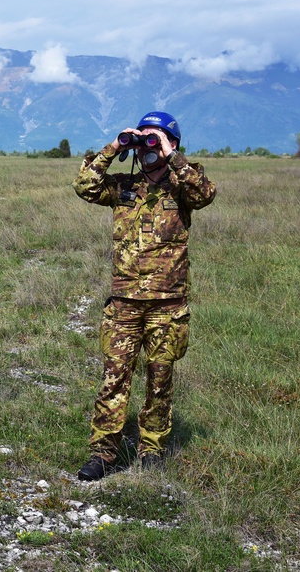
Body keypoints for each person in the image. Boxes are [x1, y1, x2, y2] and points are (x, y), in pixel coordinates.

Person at [73, 111, 216, 481]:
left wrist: (172, 155)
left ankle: (151, 448)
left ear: (172, 144)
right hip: (123, 304)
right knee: (114, 377)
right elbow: (85, 185)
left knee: (159, 377)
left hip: (167, 306)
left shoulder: (183, 186)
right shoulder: (123, 186)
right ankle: (104, 453)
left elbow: (205, 193)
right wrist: (117, 145)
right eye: (145, 139)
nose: (149, 146)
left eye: (156, 139)